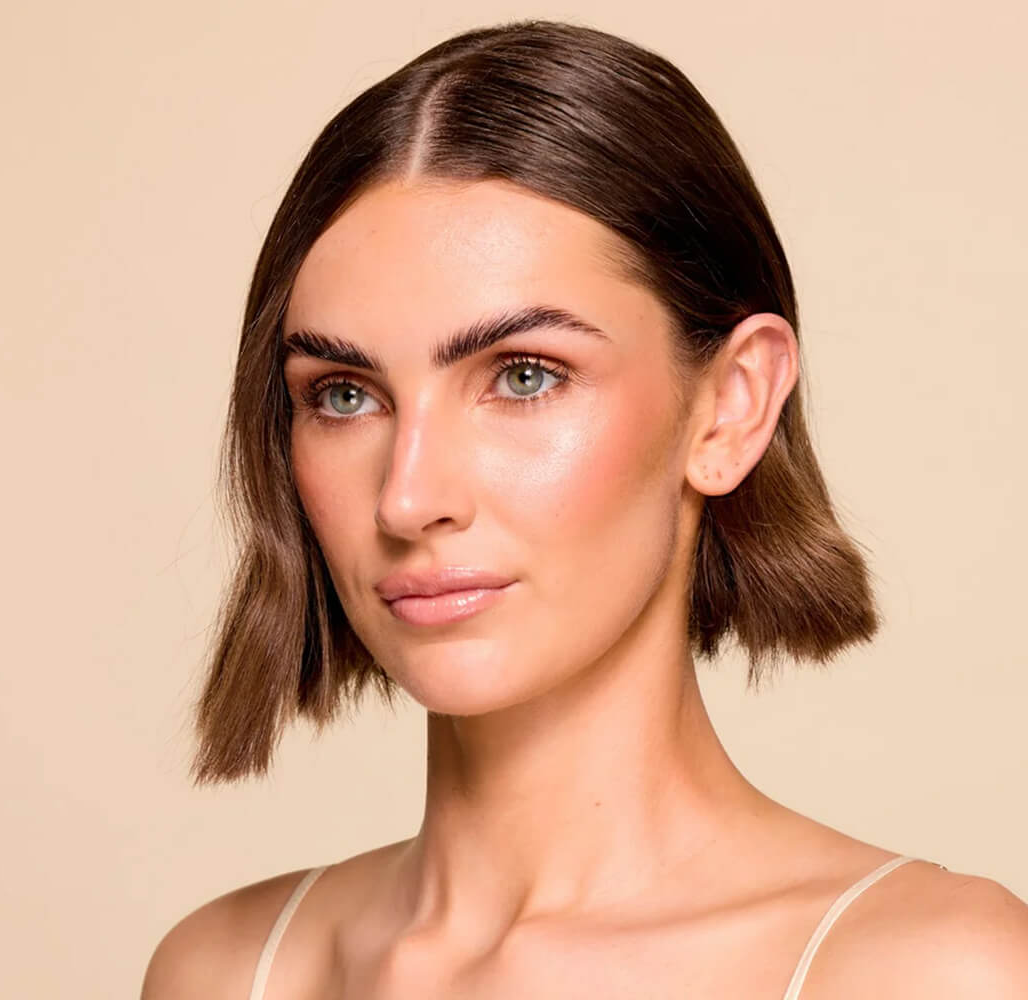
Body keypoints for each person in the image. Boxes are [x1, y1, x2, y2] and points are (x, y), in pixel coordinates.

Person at [142, 19, 1028, 999]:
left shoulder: (929, 970)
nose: (410, 497)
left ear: (731, 405)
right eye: (344, 393)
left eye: (524, 376)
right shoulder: (225, 973)